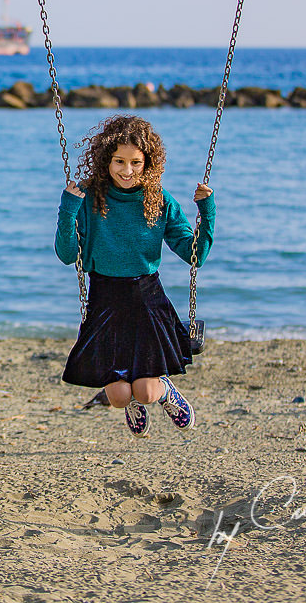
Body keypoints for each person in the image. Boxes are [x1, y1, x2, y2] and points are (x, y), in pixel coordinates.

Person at [54, 114, 214, 438]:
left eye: (136, 163)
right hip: (105, 301)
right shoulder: (89, 198)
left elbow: (194, 256)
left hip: (147, 299)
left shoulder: (159, 200)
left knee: (146, 391)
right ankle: (132, 401)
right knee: (118, 396)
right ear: (105, 160)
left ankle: (165, 392)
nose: (127, 171)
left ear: (148, 162)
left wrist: (207, 212)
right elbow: (68, 254)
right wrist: (68, 208)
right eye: (119, 161)